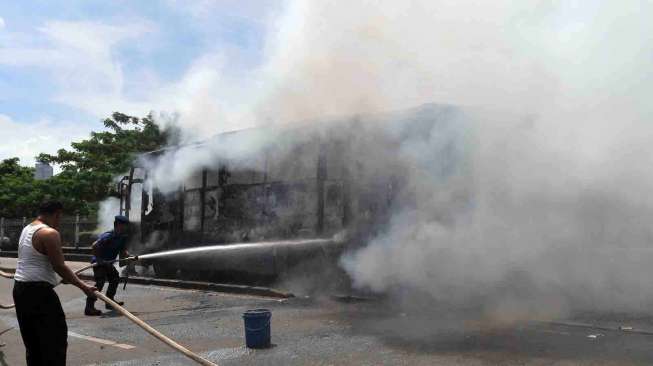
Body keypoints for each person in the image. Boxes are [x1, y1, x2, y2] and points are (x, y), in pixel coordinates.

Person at [13, 200, 97, 366]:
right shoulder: (49, 233)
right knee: (54, 342)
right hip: (39, 294)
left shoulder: (27, 228)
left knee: (33, 344)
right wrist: (84, 287)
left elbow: (39, 262)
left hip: (20, 290)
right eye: (60, 216)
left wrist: (61, 278)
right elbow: (59, 266)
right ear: (57, 213)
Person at [85, 215, 132, 316]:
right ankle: (89, 307)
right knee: (99, 284)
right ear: (117, 225)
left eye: (125, 225)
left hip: (108, 263)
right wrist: (99, 259)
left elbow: (122, 250)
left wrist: (128, 255)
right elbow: (94, 245)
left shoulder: (122, 237)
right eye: (123, 225)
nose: (125, 227)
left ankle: (109, 302)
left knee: (115, 279)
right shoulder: (108, 236)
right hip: (99, 263)